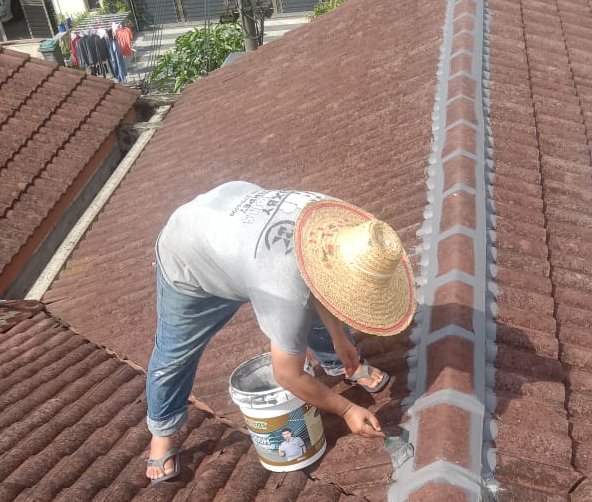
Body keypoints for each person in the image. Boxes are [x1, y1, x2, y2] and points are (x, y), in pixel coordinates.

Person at [145, 181, 417, 482]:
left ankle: (339, 362)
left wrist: (340, 339)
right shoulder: (283, 288)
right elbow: (287, 375)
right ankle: (162, 433)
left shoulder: (335, 223)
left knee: (307, 301)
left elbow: (325, 281)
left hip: (235, 229)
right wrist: (347, 410)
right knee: (175, 353)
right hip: (188, 256)